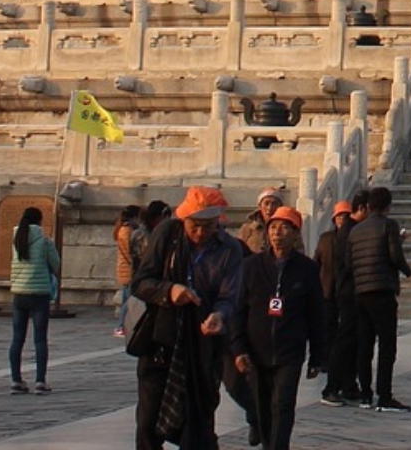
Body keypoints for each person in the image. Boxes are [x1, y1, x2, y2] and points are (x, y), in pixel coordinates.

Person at [130, 184, 247, 450]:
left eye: (207, 225)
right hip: (163, 338)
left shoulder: (230, 250)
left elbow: (230, 296)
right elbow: (140, 283)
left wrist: (219, 314)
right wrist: (169, 290)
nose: (199, 232)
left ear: (218, 222)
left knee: (199, 419)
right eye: (194, 224)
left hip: (203, 343)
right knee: (148, 422)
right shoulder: (167, 235)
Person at [230, 206, 326, 450]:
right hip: (256, 349)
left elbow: (316, 313)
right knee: (262, 407)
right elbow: (239, 309)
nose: (277, 232)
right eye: (273, 227)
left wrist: (317, 356)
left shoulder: (307, 269)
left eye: (285, 227)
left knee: (283, 404)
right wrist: (239, 347)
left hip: (289, 350)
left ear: (295, 234)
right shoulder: (251, 266)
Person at [347, 186, 411, 412]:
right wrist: (407, 270)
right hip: (382, 290)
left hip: (361, 291)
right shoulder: (389, 225)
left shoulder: (355, 231)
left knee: (365, 345)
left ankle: (365, 394)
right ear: (387, 206)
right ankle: (384, 394)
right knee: (387, 346)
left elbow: (349, 263)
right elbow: (394, 255)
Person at [7, 206, 60, 393]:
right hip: (39, 293)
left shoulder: (17, 238)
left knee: (17, 338)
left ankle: (15, 379)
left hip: (19, 293)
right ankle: (40, 380)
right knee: (39, 339)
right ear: (39, 221)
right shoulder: (44, 241)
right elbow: (56, 264)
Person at [315, 201, 358, 407]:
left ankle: (345, 382)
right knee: (331, 331)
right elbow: (317, 263)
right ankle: (328, 365)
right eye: (339, 217)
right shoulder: (326, 239)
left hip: (343, 292)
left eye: (345, 216)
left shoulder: (351, 238)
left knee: (343, 336)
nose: (342, 219)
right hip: (327, 291)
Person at [113, 205, 146, 337]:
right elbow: (130, 251)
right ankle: (120, 326)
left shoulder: (125, 229)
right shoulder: (126, 231)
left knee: (127, 299)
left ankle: (124, 325)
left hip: (126, 269)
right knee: (129, 300)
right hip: (129, 270)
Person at [239, 189, 286, 254]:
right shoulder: (248, 229)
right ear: (260, 206)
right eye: (266, 203)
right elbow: (237, 251)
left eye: (274, 204)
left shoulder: (288, 229)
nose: (269, 208)